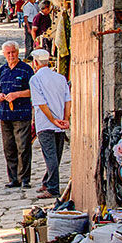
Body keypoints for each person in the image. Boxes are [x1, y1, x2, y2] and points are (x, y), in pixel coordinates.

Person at [28, 48, 71, 198]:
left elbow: (41, 104)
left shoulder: (35, 79)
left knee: (50, 156)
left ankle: (52, 188)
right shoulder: (60, 78)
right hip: (60, 123)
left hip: (46, 123)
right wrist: (65, 119)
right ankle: (47, 181)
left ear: (35, 63)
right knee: (56, 156)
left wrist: (53, 120)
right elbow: (67, 100)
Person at [0, 41, 34, 188]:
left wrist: (17, 94)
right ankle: (13, 178)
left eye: (13, 52)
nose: (11, 55)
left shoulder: (26, 70)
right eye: (8, 53)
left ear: (18, 52)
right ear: (4, 54)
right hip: (5, 114)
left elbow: (33, 90)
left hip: (21, 114)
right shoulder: (2, 70)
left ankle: (24, 179)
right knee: (9, 148)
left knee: (23, 147)